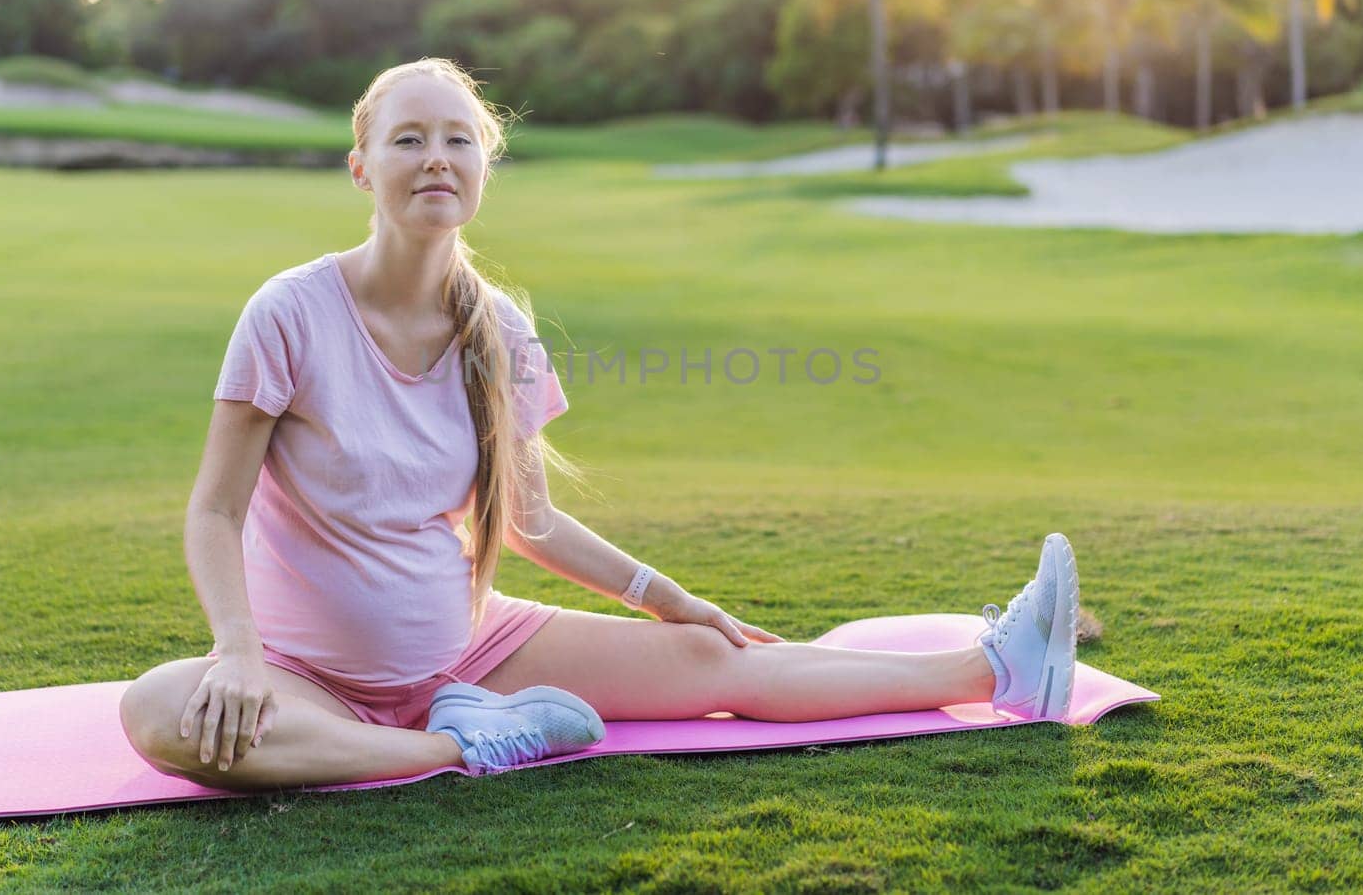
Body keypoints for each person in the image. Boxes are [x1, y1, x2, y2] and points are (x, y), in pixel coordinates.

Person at [118, 58, 1082, 791]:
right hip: (304, 674)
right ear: (361, 166)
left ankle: (996, 668)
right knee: (160, 709)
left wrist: (668, 597)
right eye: (408, 139)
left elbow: (527, 518)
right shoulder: (289, 312)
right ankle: (458, 744)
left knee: (717, 658)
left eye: (459, 138)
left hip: (474, 647)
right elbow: (215, 510)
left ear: (484, 163)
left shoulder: (499, 328)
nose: (436, 158)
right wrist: (237, 653)